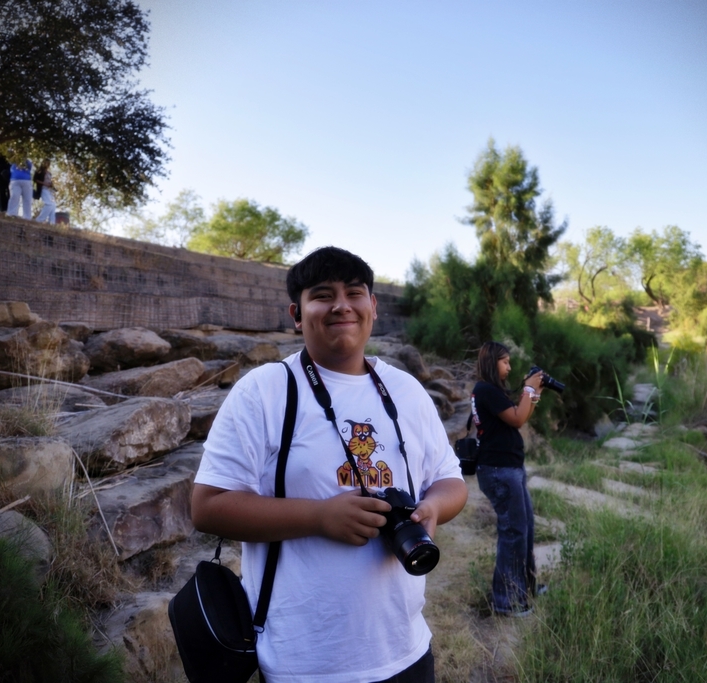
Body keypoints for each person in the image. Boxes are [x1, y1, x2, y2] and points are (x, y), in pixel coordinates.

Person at [191, 246, 468, 683]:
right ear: (297, 314)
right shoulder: (264, 391)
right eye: (322, 295)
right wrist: (320, 517)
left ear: (373, 307)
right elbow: (207, 506)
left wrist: (432, 508)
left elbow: (450, 480)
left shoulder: (406, 390)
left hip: (407, 651)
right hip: (305, 664)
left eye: (354, 293)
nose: (341, 305)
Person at [470, 341, 545, 617]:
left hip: (509, 468)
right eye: (505, 362)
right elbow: (517, 419)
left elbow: (521, 414)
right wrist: (528, 389)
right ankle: (506, 601)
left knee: (524, 528)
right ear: (492, 362)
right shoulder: (486, 390)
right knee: (513, 532)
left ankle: (525, 588)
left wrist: (533, 393)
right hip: (500, 471)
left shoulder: (491, 390)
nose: (509, 367)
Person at [33, 159, 56, 223]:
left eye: (48, 163)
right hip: (43, 189)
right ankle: (39, 220)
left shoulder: (49, 173)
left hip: (50, 190)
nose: (47, 164)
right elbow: (35, 179)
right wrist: (45, 184)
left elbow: (49, 181)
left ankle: (52, 222)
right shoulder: (39, 171)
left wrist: (51, 185)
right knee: (48, 204)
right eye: (46, 163)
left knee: (53, 205)